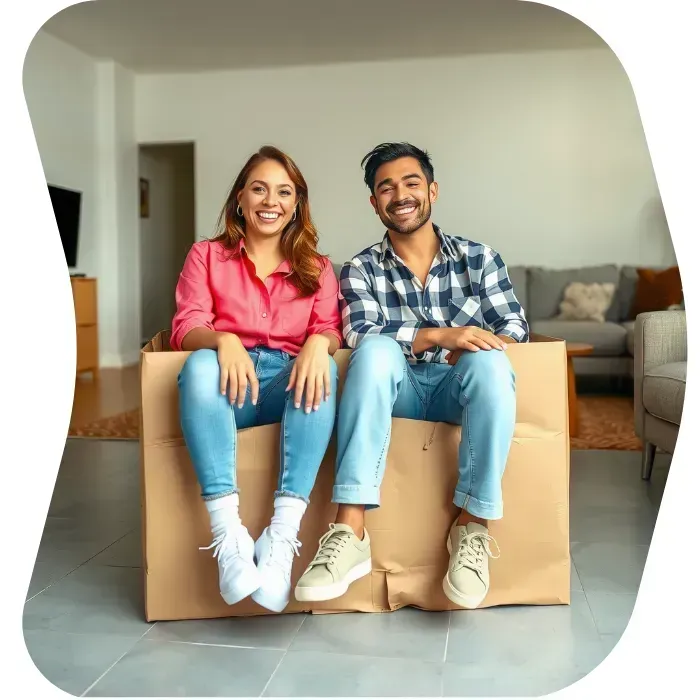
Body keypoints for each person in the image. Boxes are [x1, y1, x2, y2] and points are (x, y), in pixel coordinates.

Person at [295, 142, 529, 610]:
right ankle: (350, 529)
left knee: (489, 360)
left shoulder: (480, 258)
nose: (399, 194)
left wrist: (473, 347)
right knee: (377, 351)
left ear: (432, 191)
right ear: (374, 202)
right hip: (393, 389)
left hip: (457, 390)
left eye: (411, 183)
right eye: (386, 188)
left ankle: (471, 527)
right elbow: (359, 333)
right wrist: (444, 335)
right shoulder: (359, 268)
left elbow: (515, 328)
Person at [172, 145, 342, 613]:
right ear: (240, 200)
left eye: (284, 192)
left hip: (289, 388)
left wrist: (317, 343)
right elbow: (185, 326)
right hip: (230, 387)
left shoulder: (319, 268)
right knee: (201, 364)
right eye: (259, 189)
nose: (271, 201)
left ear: (296, 204)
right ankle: (228, 537)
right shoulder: (206, 256)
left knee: (323, 366)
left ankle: (281, 538)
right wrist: (222, 340)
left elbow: (329, 329)